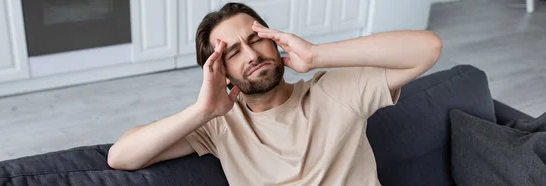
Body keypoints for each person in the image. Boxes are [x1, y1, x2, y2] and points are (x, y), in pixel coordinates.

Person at [107, 2, 441, 185]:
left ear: (274, 40)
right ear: (219, 70)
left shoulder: (333, 91)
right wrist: (202, 110)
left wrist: (316, 55)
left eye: (256, 40)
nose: (251, 56)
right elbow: (120, 157)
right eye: (233, 53)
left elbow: (428, 48)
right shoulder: (218, 123)